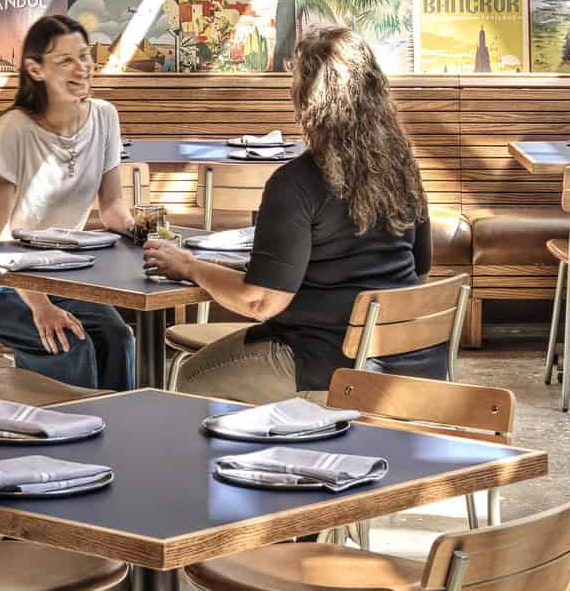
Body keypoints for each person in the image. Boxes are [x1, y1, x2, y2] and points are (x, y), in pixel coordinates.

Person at [148, 26, 435, 405]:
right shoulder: (402, 165)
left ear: (309, 98)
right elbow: (422, 266)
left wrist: (189, 267)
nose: (289, 89)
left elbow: (261, 302)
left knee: (187, 375)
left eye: (295, 78)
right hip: (416, 363)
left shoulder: (295, 182)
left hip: (326, 365)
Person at [0, 13, 136, 391]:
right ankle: (70, 442)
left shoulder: (104, 117)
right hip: (4, 281)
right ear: (35, 69)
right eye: (65, 60)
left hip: (63, 275)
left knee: (119, 337)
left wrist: (143, 234)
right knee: (71, 344)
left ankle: (121, 438)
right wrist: (41, 306)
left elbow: (112, 207)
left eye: (84, 56)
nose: (81, 68)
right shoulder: (13, 130)